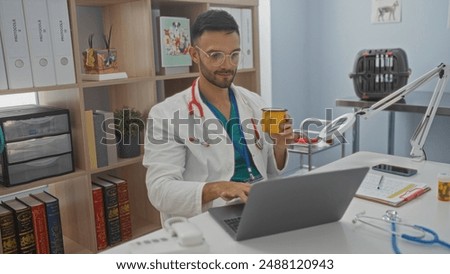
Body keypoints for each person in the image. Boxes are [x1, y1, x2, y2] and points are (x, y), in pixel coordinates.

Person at [143, 9, 293, 223]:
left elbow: (271, 172)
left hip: (260, 205)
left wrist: (279, 144)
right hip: (211, 216)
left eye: (234, 55)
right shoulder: (166, 115)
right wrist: (218, 188)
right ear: (194, 55)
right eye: (215, 55)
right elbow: (160, 190)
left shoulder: (254, 102)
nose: (227, 65)